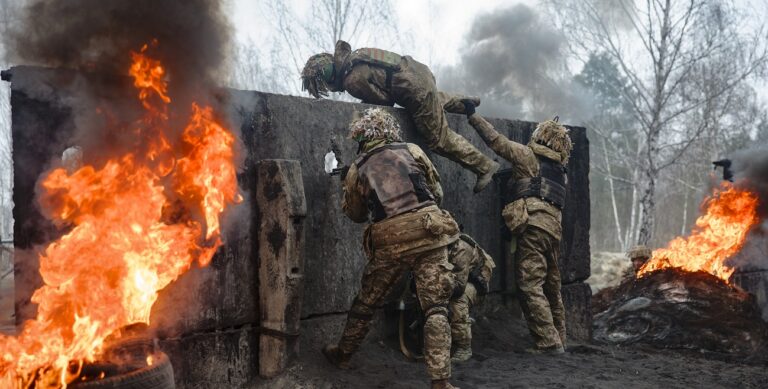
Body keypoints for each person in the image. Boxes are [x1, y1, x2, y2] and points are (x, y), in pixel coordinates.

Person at [322, 107, 460, 389]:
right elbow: (437, 192)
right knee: (435, 308)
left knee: (367, 302)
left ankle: (343, 355)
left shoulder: (358, 167)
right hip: (430, 230)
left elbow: (356, 214)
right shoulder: (412, 150)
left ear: (361, 137)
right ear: (390, 130)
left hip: (391, 239)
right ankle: (441, 382)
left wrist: (349, 187)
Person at [300, 40, 499, 193]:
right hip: (418, 72)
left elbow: (385, 101)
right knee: (431, 100)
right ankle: (464, 102)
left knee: (439, 139)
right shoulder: (357, 56)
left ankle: (485, 166)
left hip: (414, 90)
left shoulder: (352, 80)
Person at [464, 101, 572, 354]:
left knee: (529, 285)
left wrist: (472, 116)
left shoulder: (527, 156)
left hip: (532, 228)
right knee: (552, 287)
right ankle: (560, 338)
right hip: (553, 231)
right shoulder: (560, 172)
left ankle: (548, 343)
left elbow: (496, 141)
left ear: (540, 136)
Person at [447, 233, 495, 362]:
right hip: (453, 280)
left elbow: (458, 286)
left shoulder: (460, 248)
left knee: (458, 301)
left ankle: (464, 347)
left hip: (473, 284)